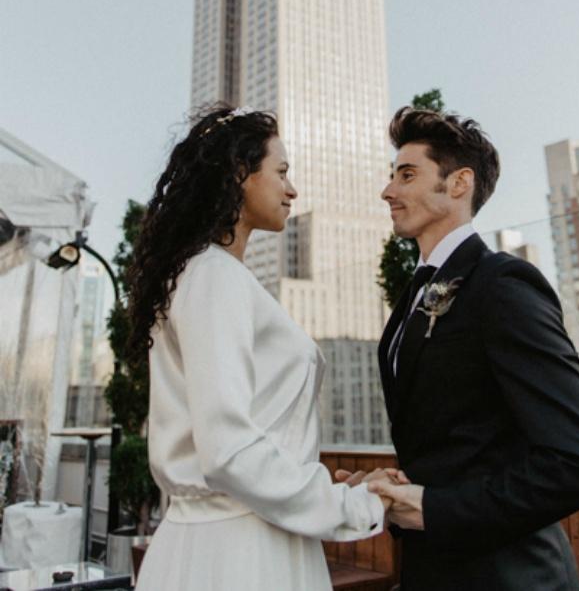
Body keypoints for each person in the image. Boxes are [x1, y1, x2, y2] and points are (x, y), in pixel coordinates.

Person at [128, 105, 388, 591]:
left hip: (246, 532)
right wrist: (348, 506)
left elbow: (259, 433)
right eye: (282, 172)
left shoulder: (209, 276)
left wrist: (325, 486)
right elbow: (228, 450)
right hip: (238, 552)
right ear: (239, 174)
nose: (292, 189)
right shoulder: (212, 277)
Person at [365, 106, 579, 590]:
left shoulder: (502, 284)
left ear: (458, 184)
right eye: (392, 176)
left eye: (407, 175)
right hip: (433, 571)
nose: (388, 191)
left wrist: (435, 508)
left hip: (510, 576)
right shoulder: (411, 298)